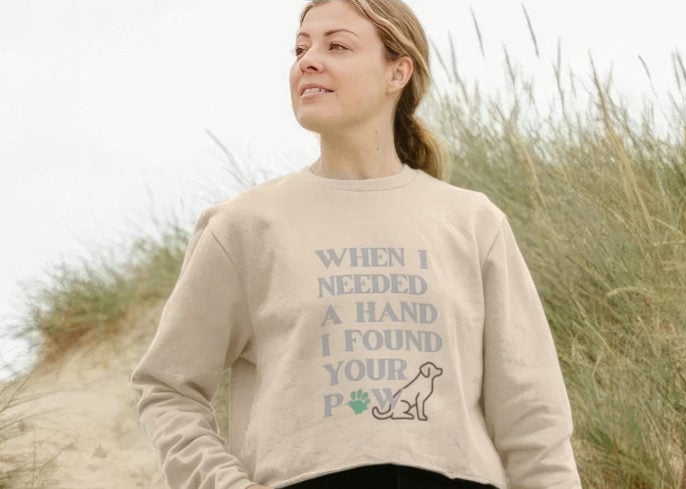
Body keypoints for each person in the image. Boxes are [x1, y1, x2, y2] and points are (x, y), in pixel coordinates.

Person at [128, 1, 583, 488]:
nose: (308, 60)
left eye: (337, 46)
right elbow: (168, 387)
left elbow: (534, 421)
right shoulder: (245, 227)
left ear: (397, 72)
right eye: (301, 48)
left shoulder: (472, 223)